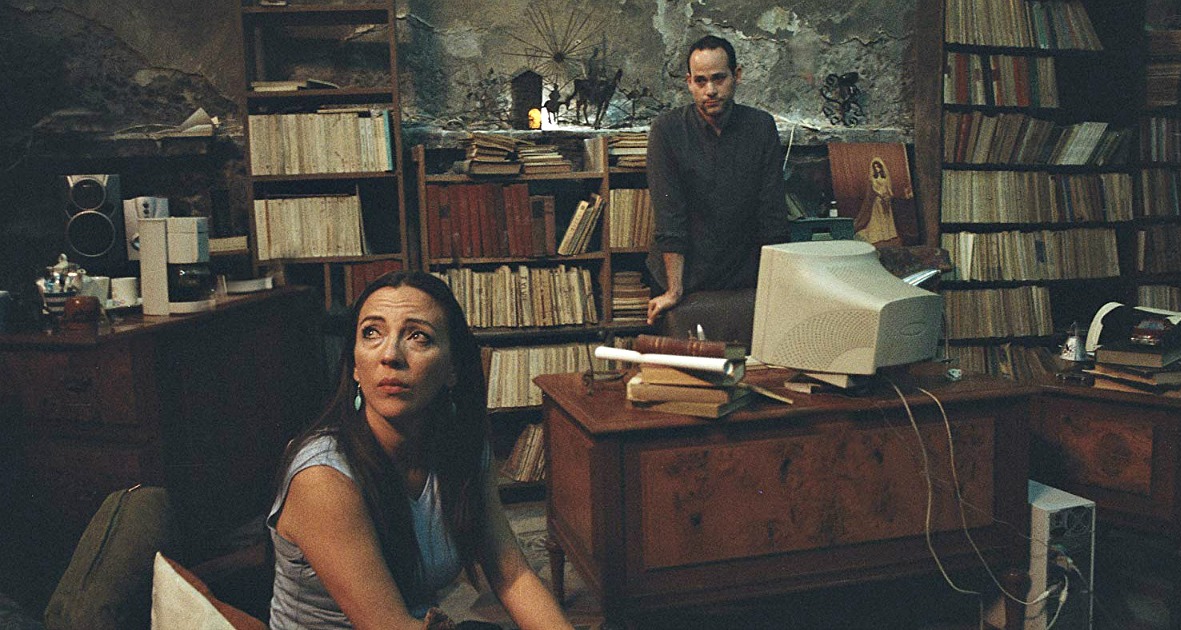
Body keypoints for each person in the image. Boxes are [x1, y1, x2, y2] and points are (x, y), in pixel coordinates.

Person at [267, 270, 573, 630]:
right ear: (353, 367)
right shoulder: (322, 476)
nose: (390, 355)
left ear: (453, 368)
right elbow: (388, 626)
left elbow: (512, 576)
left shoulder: (464, 449)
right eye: (371, 333)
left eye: (417, 336)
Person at [645, 35, 790, 325]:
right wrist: (674, 290)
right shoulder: (667, 131)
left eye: (719, 78)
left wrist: (778, 286)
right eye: (700, 81)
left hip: (743, 268)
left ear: (737, 76)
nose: (710, 90)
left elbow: (772, 213)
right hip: (689, 270)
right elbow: (670, 216)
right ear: (689, 82)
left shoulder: (760, 127)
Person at [853, 156, 903, 246]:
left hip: (886, 199)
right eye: (875, 167)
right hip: (878, 199)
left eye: (878, 166)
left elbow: (887, 186)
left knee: (887, 216)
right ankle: (880, 234)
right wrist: (881, 195)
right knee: (879, 217)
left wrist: (889, 195)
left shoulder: (885, 176)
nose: (877, 168)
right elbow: (874, 189)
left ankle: (889, 234)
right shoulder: (873, 178)